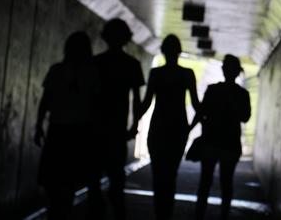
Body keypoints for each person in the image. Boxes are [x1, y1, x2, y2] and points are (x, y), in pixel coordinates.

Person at [34, 31, 100, 220]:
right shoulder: (92, 73)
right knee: (69, 182)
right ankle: (63, 213)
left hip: (58, 130)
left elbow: (45, 101)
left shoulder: (56, 70)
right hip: (79, 132)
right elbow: (95, 105)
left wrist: (39, 125)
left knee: (52, 180)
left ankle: (53, 213)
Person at [86, 18, 145, 220]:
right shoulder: (132, 65)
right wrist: (134, 126)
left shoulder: (95, 63)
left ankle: (97, 211)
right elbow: (137, 100)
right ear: (126, 39)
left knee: (93, 179)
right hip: (117, 130)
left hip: (95, 129)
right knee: (116, 180)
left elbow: (88, 97)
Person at [138, 34, 200, 220]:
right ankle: (167, 214)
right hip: (178, 129)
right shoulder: (187, 74)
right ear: (179, 52)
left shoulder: (156, 74)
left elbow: (147, 102)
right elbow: (198, 106)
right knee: (171, 174)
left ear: (163, 51)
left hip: (158, 128)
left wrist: (134, 123)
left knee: (158, 174)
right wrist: (191, 127)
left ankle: (159, 213)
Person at [192, 54, 251, 220]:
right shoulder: (242, 94)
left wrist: (188, 129)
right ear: (237, 72)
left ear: (223, 70)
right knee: (227, 182)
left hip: (211, 141)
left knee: (205, 181)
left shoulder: (213, 90)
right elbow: (245, 117)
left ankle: (199, 214)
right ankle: (224, 215)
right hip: (230, 144)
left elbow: (201, 113)